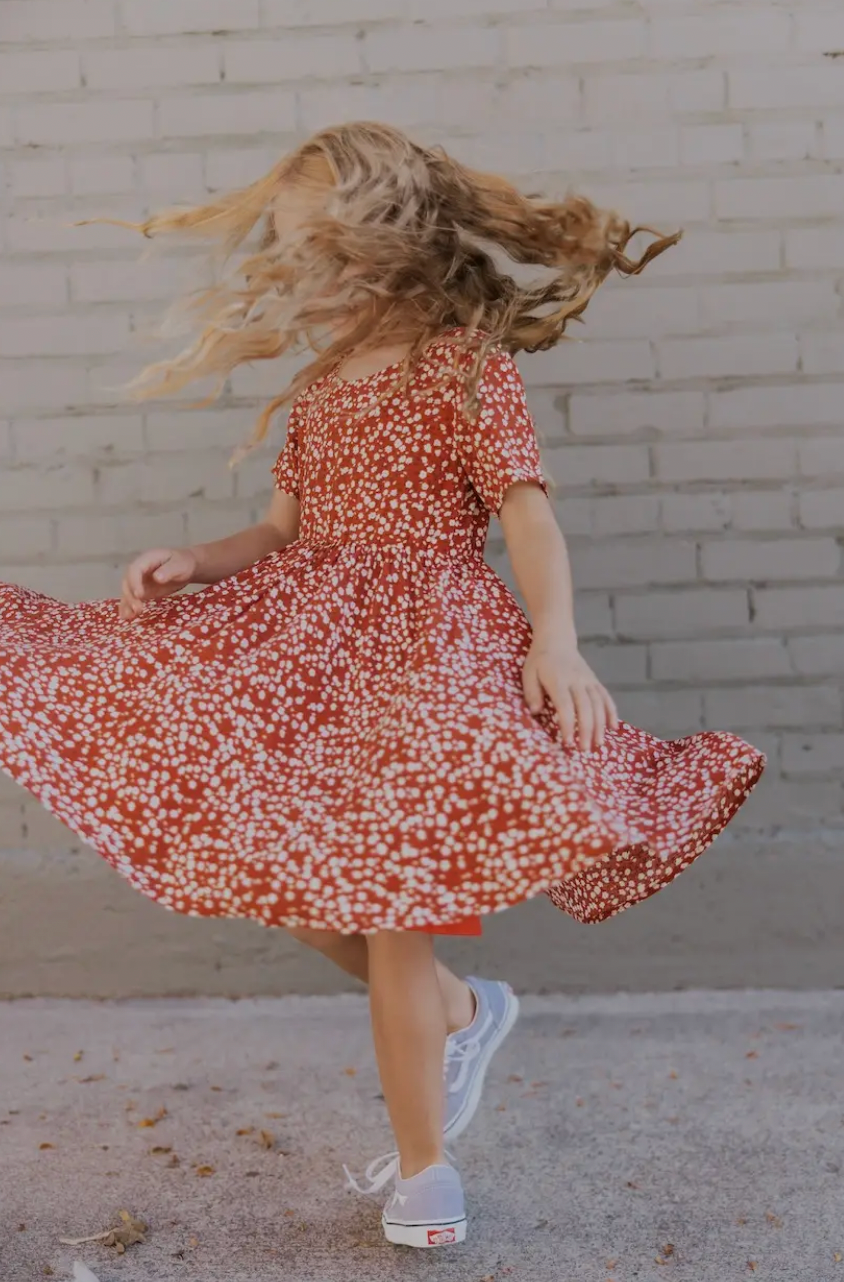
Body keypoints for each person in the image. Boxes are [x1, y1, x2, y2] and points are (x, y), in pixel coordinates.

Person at [0, 121, 765, 1250]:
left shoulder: (463, 365)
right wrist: (195, 563)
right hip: (309, 646)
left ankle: (425, 1175)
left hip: (425, 654)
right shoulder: (317, 388)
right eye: (301, 250)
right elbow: (280, 530)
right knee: (297, 884)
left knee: (395, 905)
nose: (313, 272)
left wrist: (553, 640)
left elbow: (526, 509)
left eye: (331, 247)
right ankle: (461, 1014)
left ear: (396, 240)